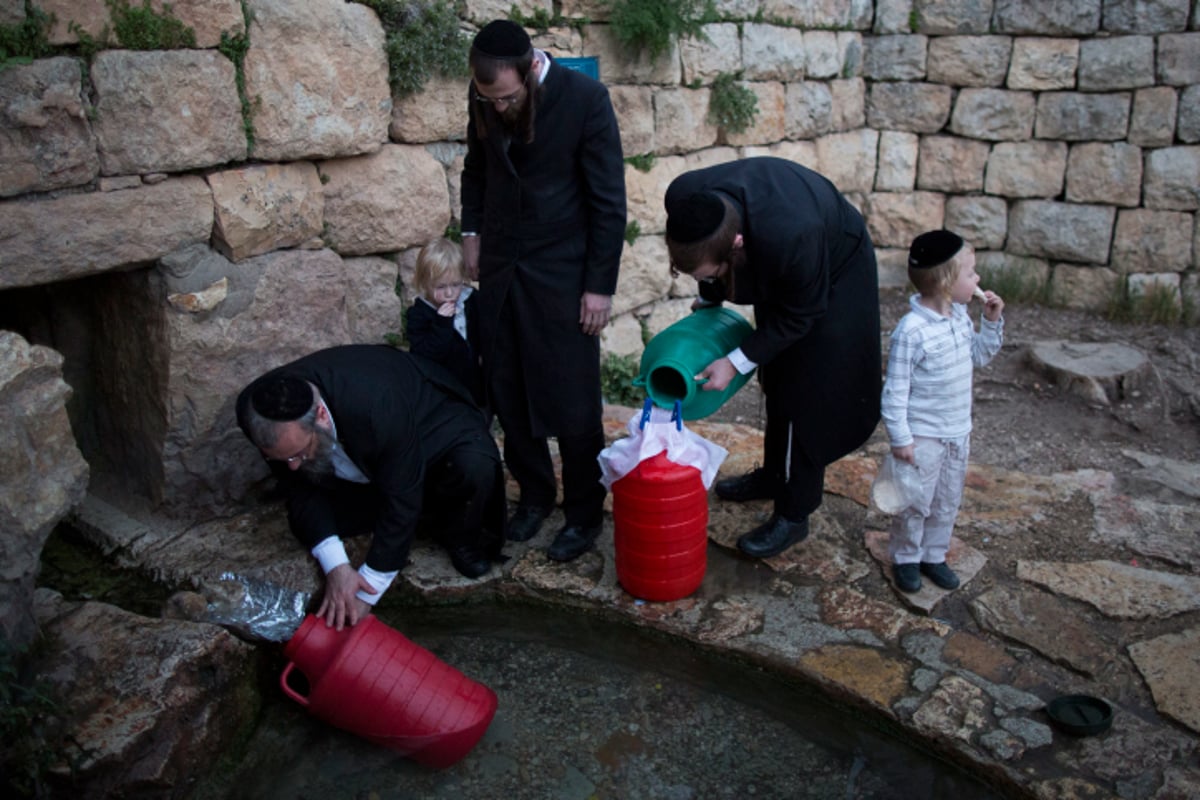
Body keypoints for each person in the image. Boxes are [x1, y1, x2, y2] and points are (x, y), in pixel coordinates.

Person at [460, 20, 626, 562]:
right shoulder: (483, 93)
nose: (499, 108)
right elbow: (476, 169)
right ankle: (533, 495)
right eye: (490, 99)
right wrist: (471, 234)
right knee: (507, 386)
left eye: (507, 97)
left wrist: (598, 288)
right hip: (503, 265)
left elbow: (608, 202)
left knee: (573, 398)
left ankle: (582, 512)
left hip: (564, 268)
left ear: (532, 69)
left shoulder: (586, 99)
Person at [663, 157, 881, 558]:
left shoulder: (792, 235)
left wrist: (734, 362)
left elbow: (801, 313)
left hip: (835, 270)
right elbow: (711, 259)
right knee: (777, 372)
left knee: (810, 390)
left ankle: (795, 512)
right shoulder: (684, 198)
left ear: (737, 245)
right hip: (781, 259)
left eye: (708, 274)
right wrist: (711, 293)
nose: (702, 280)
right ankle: (771, 476)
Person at [235, 345, 505, 630]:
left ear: (321, 417)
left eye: (299, 453)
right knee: (311, 518)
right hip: (364, 461)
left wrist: (369, 587)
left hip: (431, 423)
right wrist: (337, 569)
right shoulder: (254, 411)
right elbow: (299, 490)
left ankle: (458, 533)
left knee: (472, 467)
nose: (292, 466)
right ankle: (413, 519)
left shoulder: (376, 406)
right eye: (283, 458)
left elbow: (403, 490)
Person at [880, 230, 1004, 593]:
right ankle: (906, 557)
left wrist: (991, 322)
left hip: (957, 432)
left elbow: (979, 356)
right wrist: (901, 439)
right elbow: (895, 390)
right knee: (915, 502)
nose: (977, 279)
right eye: (971, 273)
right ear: (948, 282)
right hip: (923, 438)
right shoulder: (912, 331)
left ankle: (933, 554)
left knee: (947, 500)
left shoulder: (961, 317)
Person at [407, 237, 485, 408]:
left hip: (476, 388)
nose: (450, 293)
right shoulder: (419, 315)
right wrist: (442, 324)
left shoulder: (471, 301)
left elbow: (485, 333)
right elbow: (425, 357)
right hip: (443, 393)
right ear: (425, 283)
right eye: (440, 287)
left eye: (456, 285)